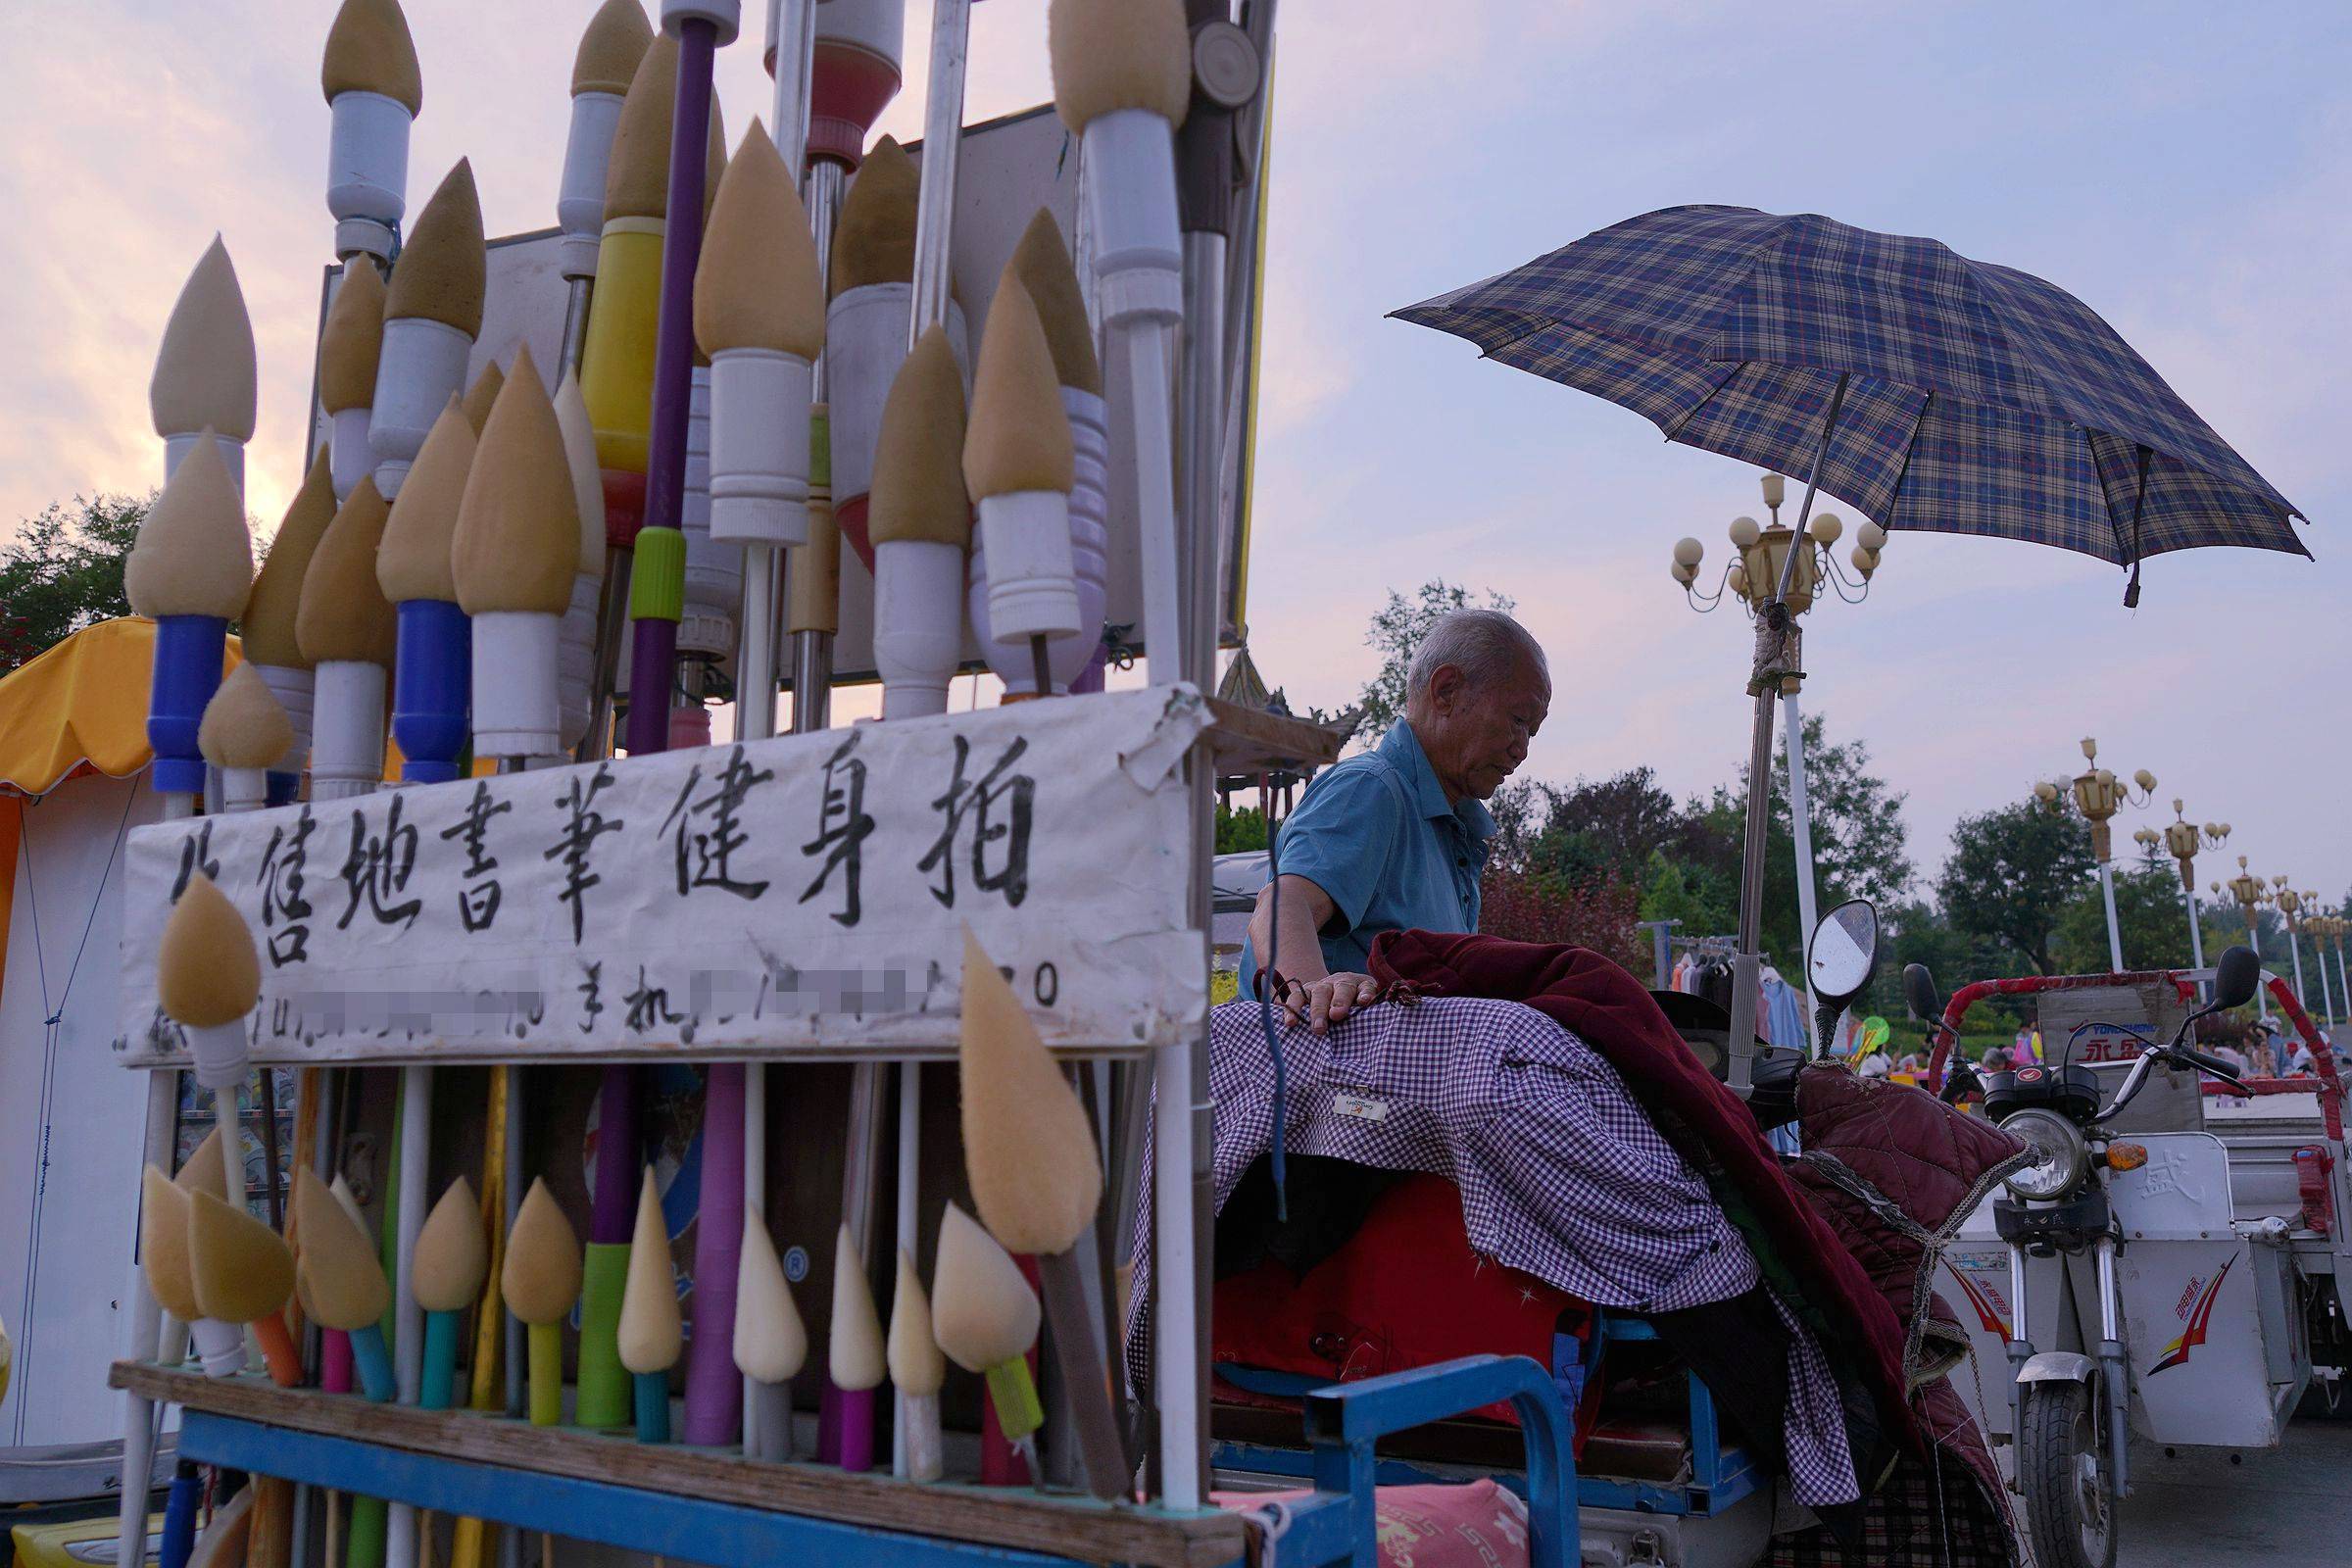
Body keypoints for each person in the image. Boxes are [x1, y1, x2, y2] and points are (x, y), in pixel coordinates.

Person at [1243, 609, 1550, 1032]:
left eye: (1532, 731)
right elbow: (1281, 905)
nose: (1522, 750)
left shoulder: (1451, 832)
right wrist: (1313, 989)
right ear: (1446, 691)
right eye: (1518, 721)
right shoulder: (1370, 790)